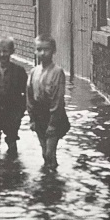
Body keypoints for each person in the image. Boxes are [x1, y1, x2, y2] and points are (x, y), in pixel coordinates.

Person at [26, 34, 70, 169]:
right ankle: (48, 178)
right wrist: (32, 118)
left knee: (50, 152)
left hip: (53, 116)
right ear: (35, 50)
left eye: (47, 50)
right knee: (44, 152)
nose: (43, 53)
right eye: (39, 49)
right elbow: (29, 96)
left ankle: (52, 178)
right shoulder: (34, 71)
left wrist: (53, 123)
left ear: (53, 51)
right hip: (39, 116)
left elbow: (58, 99)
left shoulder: (57, 72)